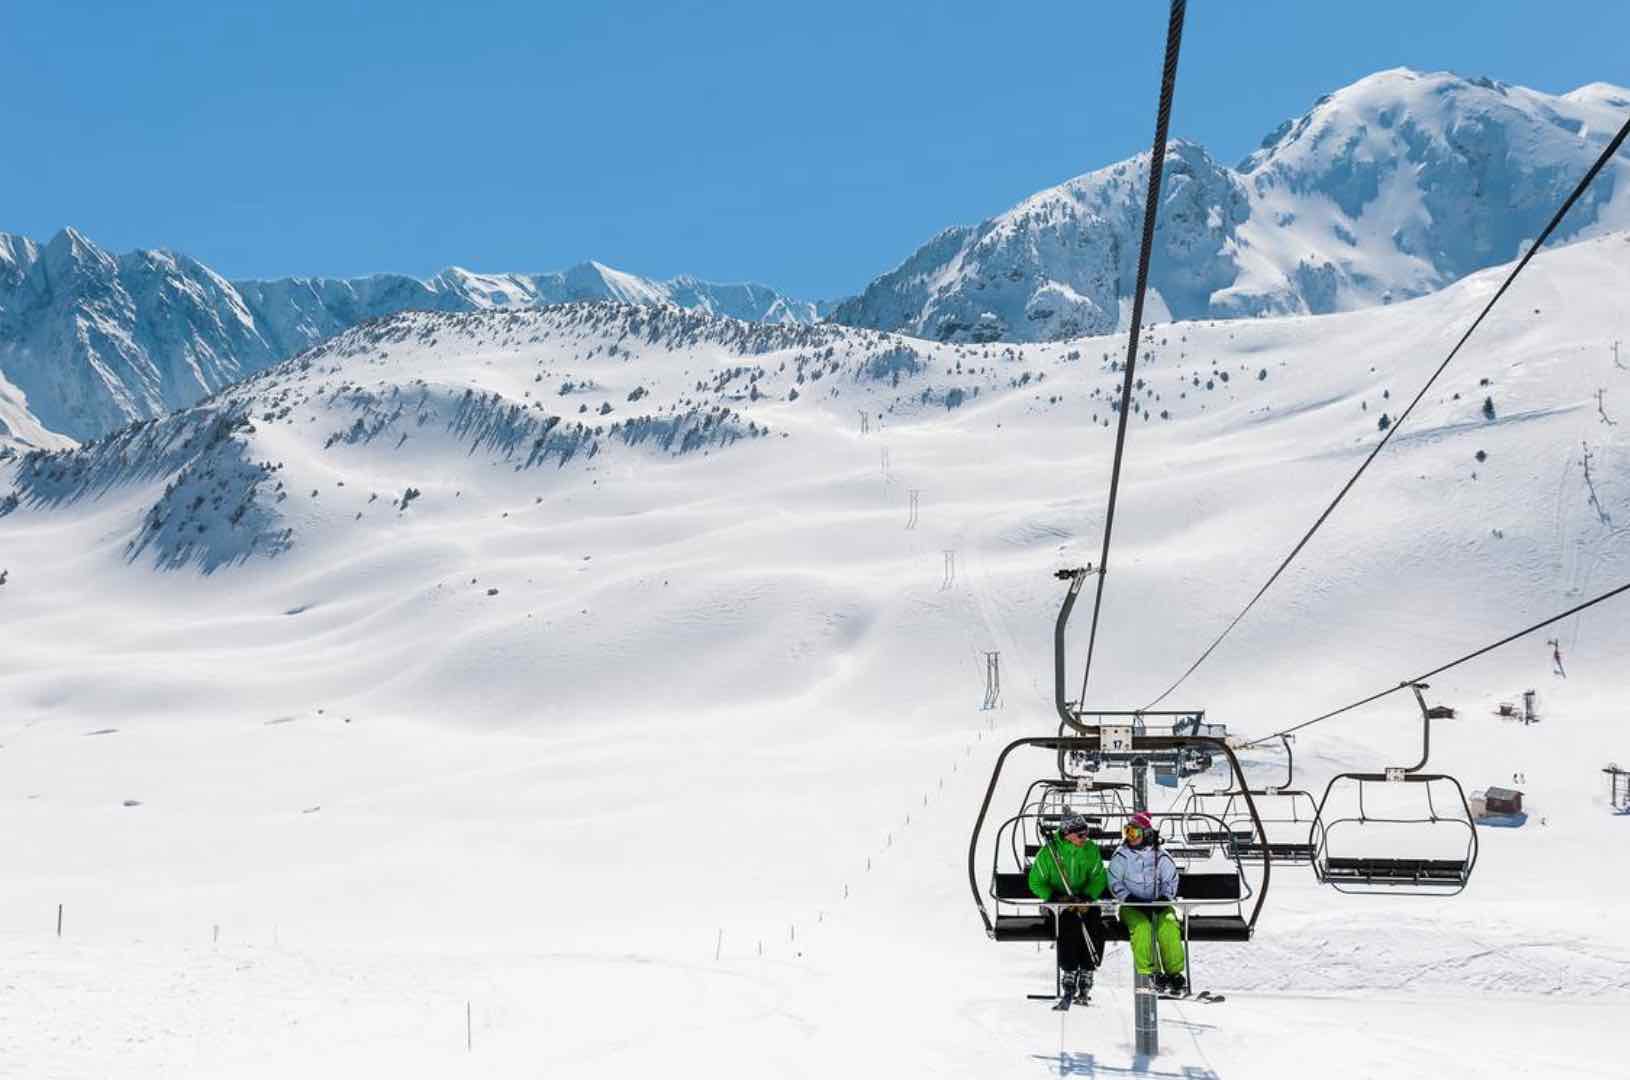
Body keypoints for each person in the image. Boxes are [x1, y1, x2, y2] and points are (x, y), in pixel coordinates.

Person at [1027, 811, 1108, 1002]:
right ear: (1068, 833)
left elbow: (1098, 877)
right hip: (1058, 904)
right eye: (1080, 835)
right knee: (1068, 922)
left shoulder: (1090, 850)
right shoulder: (1049, 853)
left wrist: (1087, 897)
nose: (1084, 838)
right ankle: (1070, 969)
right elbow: (1036, 882)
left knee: (1095, 919)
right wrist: (1056, 897)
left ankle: (1088, 969)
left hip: (1082, 900)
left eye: (1086, 833)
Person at [1107, 811, 1187, 995]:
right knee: (1142, 928)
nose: (1130, 837)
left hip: (1159, 905)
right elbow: (1114, 881)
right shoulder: (1122, 856)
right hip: (1131, 907)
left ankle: (1174, 974)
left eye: (1133, 833)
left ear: (1147, 834)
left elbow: (1171, 880)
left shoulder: (1161, 856)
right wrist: (1129, 898)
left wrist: (1164, 899)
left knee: (1168, 926)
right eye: (1127, 832)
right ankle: (1153, 972)